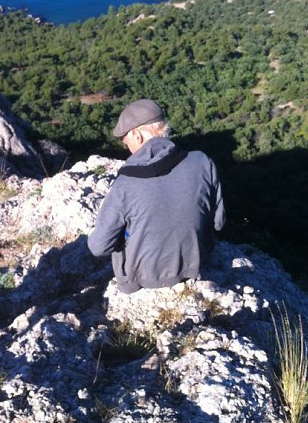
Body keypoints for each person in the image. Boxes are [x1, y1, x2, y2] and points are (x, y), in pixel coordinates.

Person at [87, 99, 225, 294]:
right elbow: (218, 223)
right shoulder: (202, 161)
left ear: (137, 135)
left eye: (126, 141)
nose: (127, 148)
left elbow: (98, 247)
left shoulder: (126, 184)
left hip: (144, 279)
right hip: (197, 265)